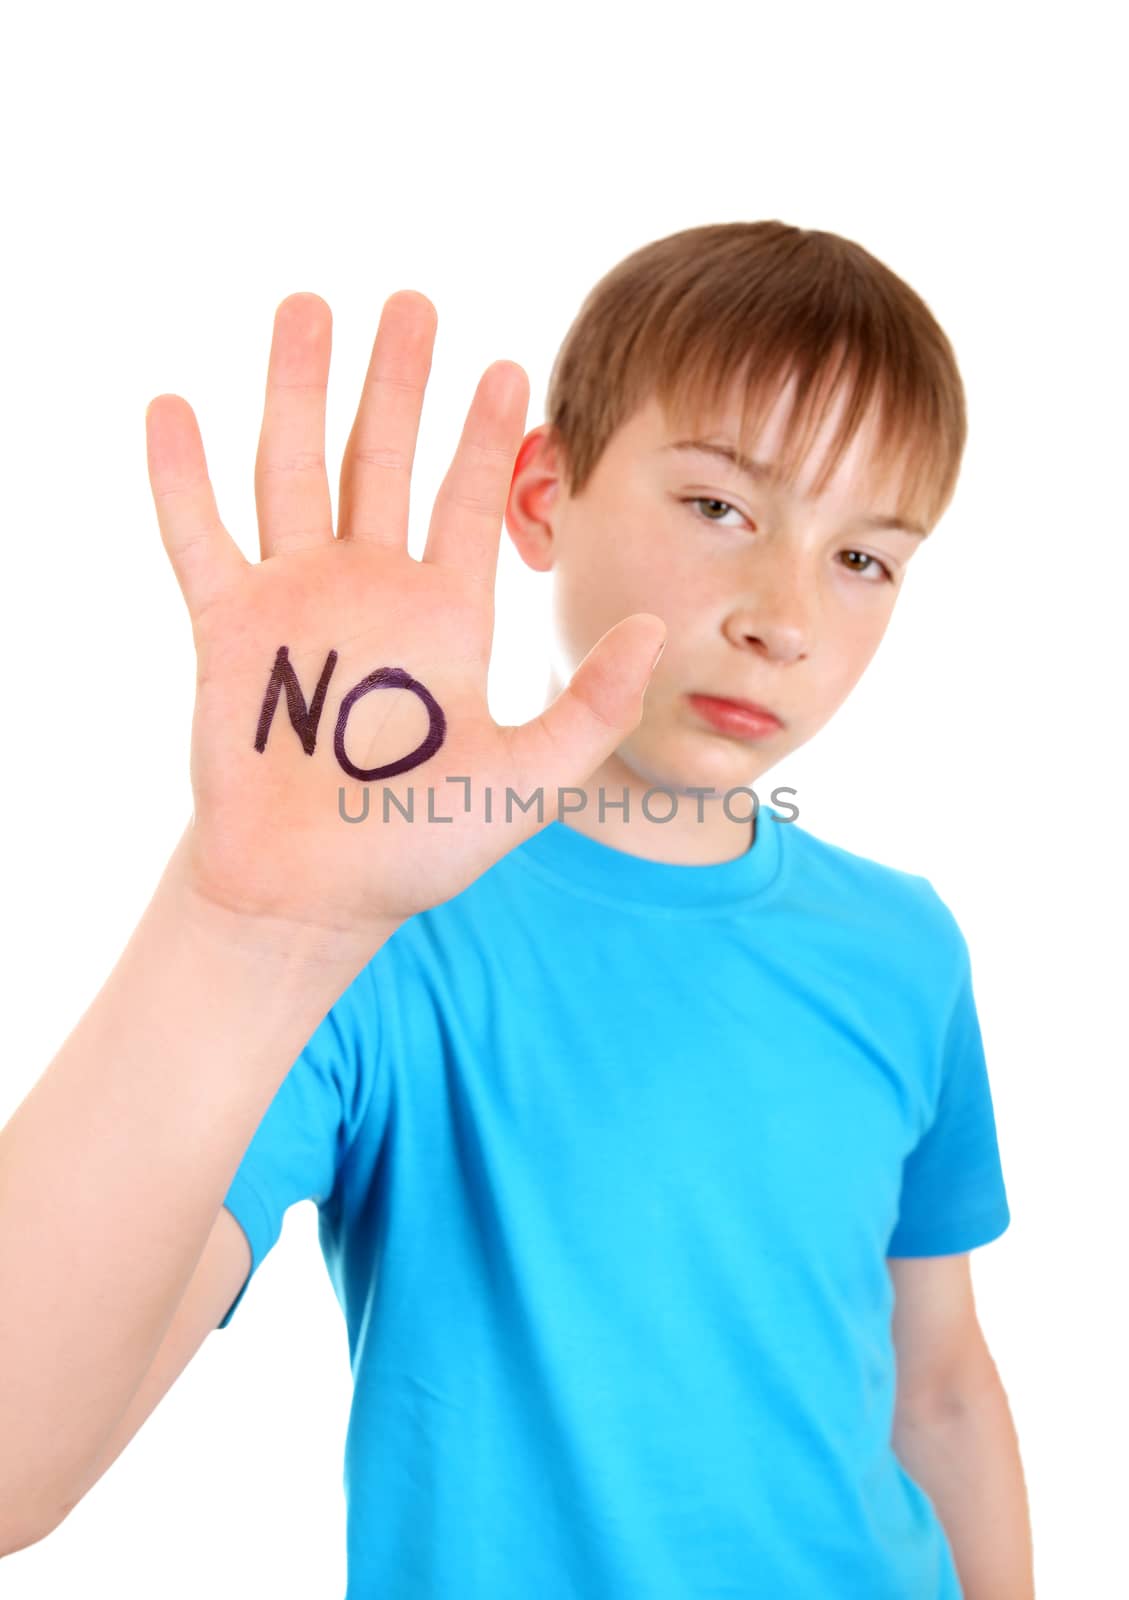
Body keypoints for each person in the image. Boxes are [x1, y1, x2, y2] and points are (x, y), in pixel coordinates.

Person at [0, 220, 1034, 1596]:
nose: (782, 613)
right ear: (544, 497)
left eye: (864, 558)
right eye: (720, 506)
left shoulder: (905, 946)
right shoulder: (379, 934)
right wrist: (237, 926)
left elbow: (942, 1388)